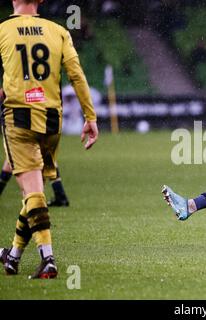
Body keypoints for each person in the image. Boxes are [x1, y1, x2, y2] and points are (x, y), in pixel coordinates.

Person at [0, 0, 98, 279]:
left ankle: (48, 258)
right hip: (51, 120)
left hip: (19, 117)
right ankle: (14, 255)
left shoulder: (4, 29)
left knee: (32, 193)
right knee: (35, 194)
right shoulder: (58, 31)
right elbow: (76, 75)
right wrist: (90, 117)